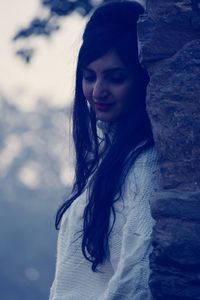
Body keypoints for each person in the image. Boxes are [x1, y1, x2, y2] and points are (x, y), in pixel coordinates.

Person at [50, 1, 159, 299]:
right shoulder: (111, 159)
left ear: (140, 79)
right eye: (89, 76)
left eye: (115, 77)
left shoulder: (143, 168)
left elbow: (136, 284)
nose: (98, 91)